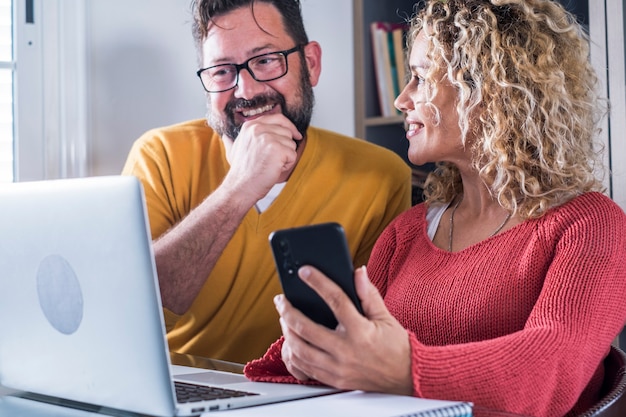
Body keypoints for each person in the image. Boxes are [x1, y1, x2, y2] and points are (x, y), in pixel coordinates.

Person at [242, 1, 626, 416]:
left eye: (420, 78)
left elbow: (552, 367)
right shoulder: (406, 232)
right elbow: (359, 368)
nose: (402, 99)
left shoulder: (591, 224)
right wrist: (314, 352)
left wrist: (403, 369)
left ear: (489, 88)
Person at [121, 0, 412, 364]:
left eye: (265, 60)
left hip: (310, 391)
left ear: (310, 64)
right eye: (222, 71)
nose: (245, 89)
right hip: (182, 387)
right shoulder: (159, 154)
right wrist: (241, 185)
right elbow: (137, 304)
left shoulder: (382, 176)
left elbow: (373, 330)